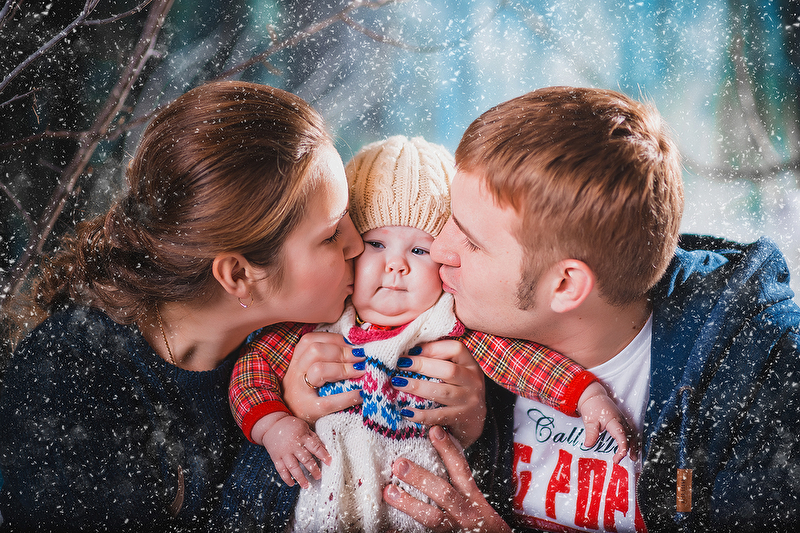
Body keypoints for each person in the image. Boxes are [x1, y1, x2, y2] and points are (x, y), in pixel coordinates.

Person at [0, 81, 479, 532]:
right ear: (238, 275)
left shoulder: (316, 333)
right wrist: (285, 423)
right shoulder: (67, 379)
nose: (358, 245)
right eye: (332, 234)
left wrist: (470, 423)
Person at [379, 87, 800, 532]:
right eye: (450, 216)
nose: (438, 249)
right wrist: (471, 434)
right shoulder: (446, 318)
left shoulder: (763, 375)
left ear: (566, 285)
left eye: (471, 241)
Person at [228, 136, 633, 533]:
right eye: (376, 244)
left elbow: (519, 361)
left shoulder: (447, 324)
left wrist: (586, 394)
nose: (396, 265)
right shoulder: (323, 320)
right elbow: (252, 367)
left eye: (419, 250)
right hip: (325, 502)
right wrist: (274, 425)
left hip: (415, 509)